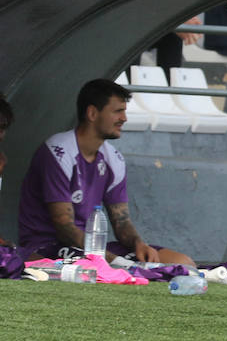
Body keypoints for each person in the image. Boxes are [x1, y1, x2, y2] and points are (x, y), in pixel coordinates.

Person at [18, 79, 196, 265]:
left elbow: (122, 222)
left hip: (92, 247)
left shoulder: (114, 158)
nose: (124, 118)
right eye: (118, 111)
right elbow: (65, 228)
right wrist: (114, 261)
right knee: (123, 269)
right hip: (49, 248)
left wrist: (138, 244)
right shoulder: (58, 152)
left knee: (181, 262)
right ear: (92, 113)